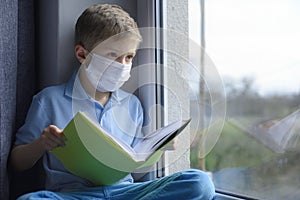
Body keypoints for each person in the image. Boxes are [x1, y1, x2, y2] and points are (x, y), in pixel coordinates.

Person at [10, 4, 215, 200]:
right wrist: (41, 144)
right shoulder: (49, 100)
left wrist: (159, 148)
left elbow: (135, 167)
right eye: (112, 55)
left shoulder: (132, 105)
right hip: (73, 195)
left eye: (128, 57)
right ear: (82, 54)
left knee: (199, 182)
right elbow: (16, 163)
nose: (123, 65)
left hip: (124, 193)